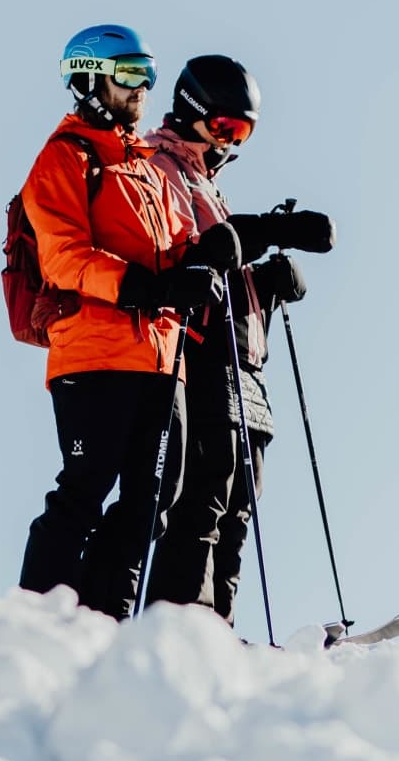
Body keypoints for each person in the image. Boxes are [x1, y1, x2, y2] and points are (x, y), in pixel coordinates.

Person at [16, 25, 238, 619]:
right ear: (89, 81)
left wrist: (209, 254)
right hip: (95, 353)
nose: (143, 88)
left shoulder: (142, 164)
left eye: (148, 74)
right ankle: (36, 621)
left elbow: (177, 244)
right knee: (85, 489)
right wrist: (148, 286)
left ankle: (103, 622)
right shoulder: (66, 156)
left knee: (152, 503)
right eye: (129, 74)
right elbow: (63, 255)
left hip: (162, 358)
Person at [139, 54, 336, 627]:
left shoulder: (206, 182)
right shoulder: (159, 167)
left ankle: (218, 625)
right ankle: (182, 624)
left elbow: (225, 258)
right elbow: (189, 251)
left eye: (242, 132)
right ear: (193, 112)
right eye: (224, 127)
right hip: (199, 351)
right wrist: (267, 230)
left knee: (240, 506)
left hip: (246, 356)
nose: (231, 141)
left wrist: (268, 284)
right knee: (205, 494)